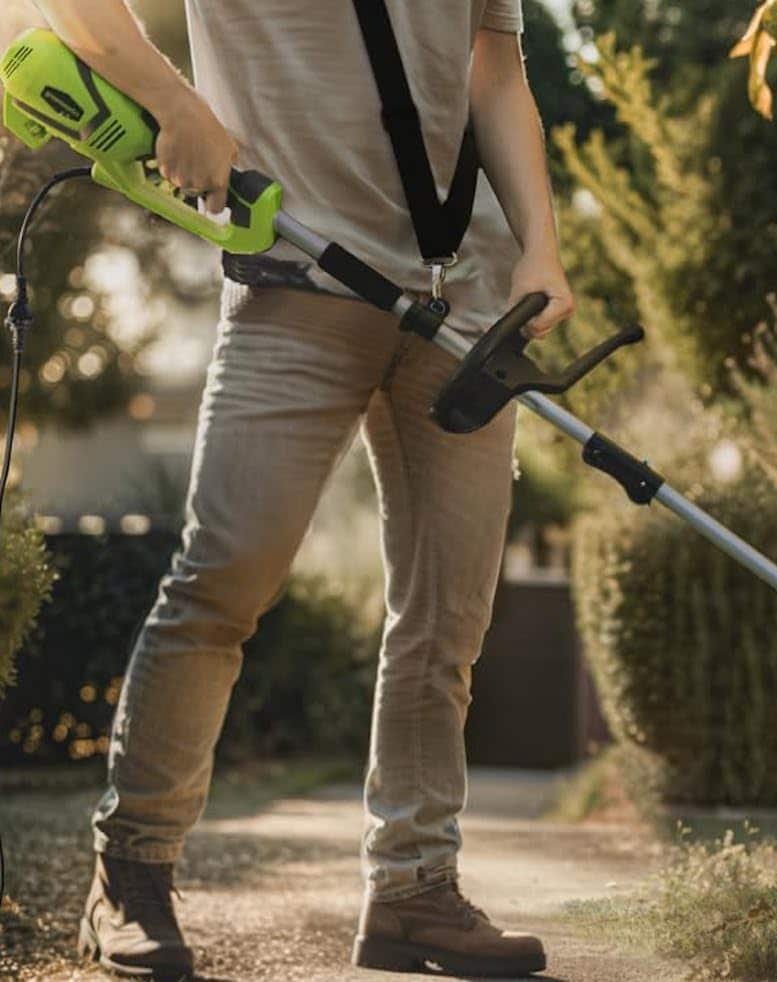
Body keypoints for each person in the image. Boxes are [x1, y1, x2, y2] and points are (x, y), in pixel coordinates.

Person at [31, 0, 574, 977]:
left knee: (446, 618)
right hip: (295, 280)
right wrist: (175, 104)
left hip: (467, 303)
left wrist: (540, 241)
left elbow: (493, 69)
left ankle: (414, 890)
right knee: (222, 581)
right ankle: (131, 875)